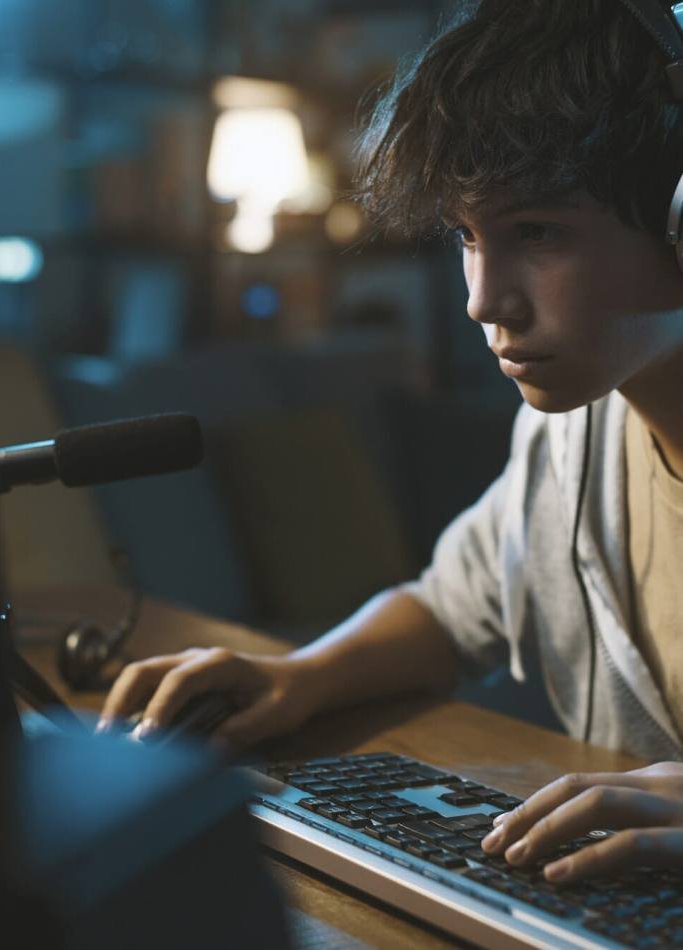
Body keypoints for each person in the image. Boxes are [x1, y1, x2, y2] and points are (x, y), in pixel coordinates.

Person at [97, 0, 683, 883]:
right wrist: (299, 676)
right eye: (466, 236)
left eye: (538, 232)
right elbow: (453, 607)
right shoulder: (570, 439)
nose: (484, 300)